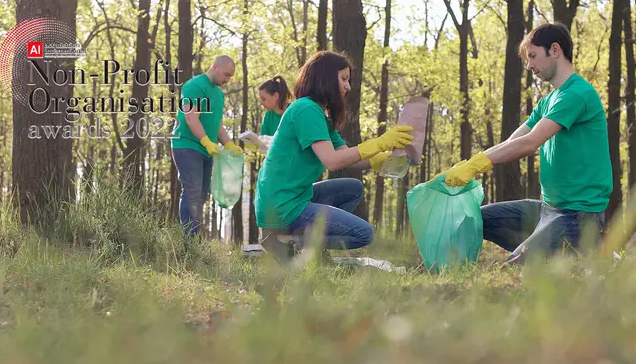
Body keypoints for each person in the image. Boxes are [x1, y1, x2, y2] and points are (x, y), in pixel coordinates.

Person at [432, 22, 613, 266]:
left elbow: (531, 142)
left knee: (513, 268)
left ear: (555, 50)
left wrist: (476, 165)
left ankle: (587, 248)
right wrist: (467, 166)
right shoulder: (549, 100)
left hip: (579, 216)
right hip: (547, 211)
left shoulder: (577, 93)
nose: (530, 66)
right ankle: (553, 248)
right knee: (474, 218)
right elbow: (513, 141)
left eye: (533, 56)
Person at [254, 50, 414, 263]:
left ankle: (301, 244)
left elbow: (344, 154)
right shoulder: (305, 109)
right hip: (282, 208)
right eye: (344, 79)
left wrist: (380, 158)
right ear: (326, 78)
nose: (348, 86)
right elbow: (332, 161)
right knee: (364, 233)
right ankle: (287, 242)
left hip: (295, 196)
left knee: (352, 188)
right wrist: (378, 142)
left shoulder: (319, 114)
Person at [171, 55, 244, 237]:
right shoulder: (195, 86)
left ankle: (194, 238)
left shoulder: (218, 94)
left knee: (202, 194)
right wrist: (204, 139)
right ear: (215, 67)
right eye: (226, 74)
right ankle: (190, 240)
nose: (227, 80)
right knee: (192, 192)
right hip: (187, 145)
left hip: (207, 148)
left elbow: (217, 124)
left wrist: (228, 143)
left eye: (230, 77)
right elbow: (190, 117)